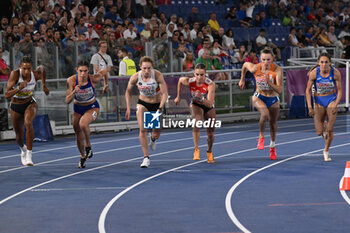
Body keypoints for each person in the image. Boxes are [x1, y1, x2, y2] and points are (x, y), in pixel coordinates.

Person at [4, 56, 50, 166]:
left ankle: (29, 154)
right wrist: (19, 88)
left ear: (31, 68)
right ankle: (23, 150)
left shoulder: (35, 74)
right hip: (15, 106)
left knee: (28, 123)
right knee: (19, 138)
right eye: (24, 69)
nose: (26, 71)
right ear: (20, 67)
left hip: (29, 103)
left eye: (29, 69)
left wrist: (44, 85)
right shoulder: (15, 74)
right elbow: (6, 94)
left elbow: (43, 70)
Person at [239, 48, 283, 160]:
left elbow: (279, 90)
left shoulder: (277, 70)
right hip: (259, 96)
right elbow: (244, 65)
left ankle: (272, 147)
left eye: (268, 60)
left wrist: (269, 82)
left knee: (273, 123)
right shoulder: (255, 68)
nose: (266, 62)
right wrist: (242, 79)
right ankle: (261, 137)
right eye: (263, 59)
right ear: (260, 59)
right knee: (264, 114)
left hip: (273, 98)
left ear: (272, 59)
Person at [125, 56, 168, 168]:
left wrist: (160, 107)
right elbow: (128, 92)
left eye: (149, 68)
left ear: (152, 68)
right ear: (140, 67)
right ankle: (146, 158)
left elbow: (165, 94)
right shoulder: (135, 77)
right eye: (144, 68)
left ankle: (153, 139)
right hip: (143, 103)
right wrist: (128, 107)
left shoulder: (157, 75)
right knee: (142, 129)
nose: (147, 71)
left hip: (157, 104)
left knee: (156, 132)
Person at [65, 60, 108, 168]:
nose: (83, 74)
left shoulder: (93, 78)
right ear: (76, 70)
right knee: (78, 134)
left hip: (92, 107)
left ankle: (88, 146)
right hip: (78, 108)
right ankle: (83, 156)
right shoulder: (71, 80)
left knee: (83, 124)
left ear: (88, 70)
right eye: (80, 71)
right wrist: (74, 92)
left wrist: (105, 85)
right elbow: (67, 100)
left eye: (85, 71)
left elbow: (105, 71)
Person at [174, 63, 216, 163]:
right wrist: (178, 96)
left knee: (210, 134)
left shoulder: (210, 85)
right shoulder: (189, 81)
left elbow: (209, 104)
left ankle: (209, 151)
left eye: (202, 75)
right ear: (194, 74)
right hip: (196, 104)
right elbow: (180, 81)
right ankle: (196, 149)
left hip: (208, 106)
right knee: (197, 122)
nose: (199, 77)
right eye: (197, 74)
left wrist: (201, 98)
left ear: (205, 75)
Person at [305, 53, 342, 162]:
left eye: (326, 62)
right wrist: (310, 107)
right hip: (318, 102)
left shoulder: (335, 73)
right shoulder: (314, 74)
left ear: (330, 63)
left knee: (330, 130)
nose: (324, 64)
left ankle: (326, 150)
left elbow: (340, 90)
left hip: (331, 99)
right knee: (319, 132)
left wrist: (336, 104)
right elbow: (307, 91)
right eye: (321, 62)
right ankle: (324, 125)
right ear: (318, 63)